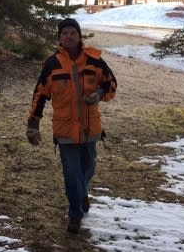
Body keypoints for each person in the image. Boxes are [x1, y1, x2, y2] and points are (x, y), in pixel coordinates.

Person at [26, 18, 117, 233]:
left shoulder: (95, 60)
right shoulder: (52, 64)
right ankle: (74, 213)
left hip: (89, 127)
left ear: (79, 36)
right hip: (65, 128)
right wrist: (33, 124)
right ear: (60, 38)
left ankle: (82, 193)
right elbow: (40, 95)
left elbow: (111, 83)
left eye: (72, 33)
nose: (69, 36)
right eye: (64, 33)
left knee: (88, 168)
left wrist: (99, 94)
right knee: (71, 172)